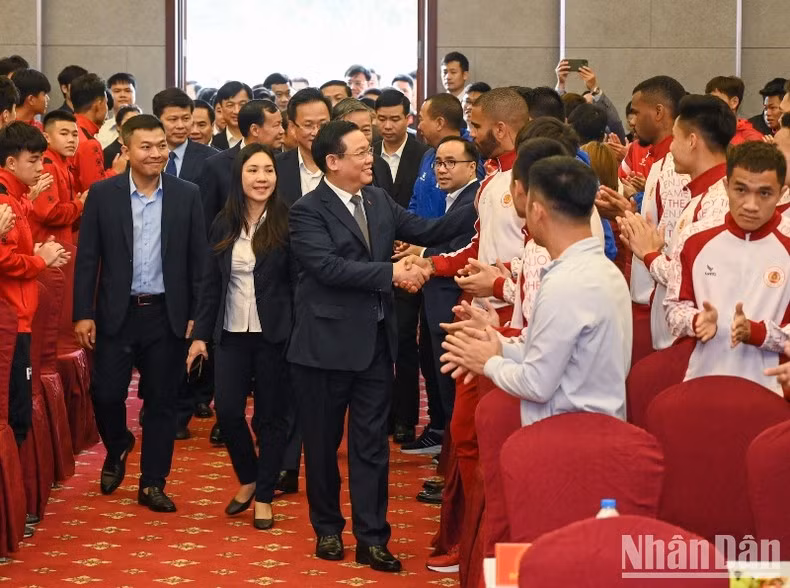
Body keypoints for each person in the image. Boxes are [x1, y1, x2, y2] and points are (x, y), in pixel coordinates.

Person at [287, 120, 466, 572]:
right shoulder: (307, 210)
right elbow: (328, 268)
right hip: (323, 348)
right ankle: (328, 529)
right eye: (361, 152)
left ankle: (373, 537)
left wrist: (487, 194)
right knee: (323, 445)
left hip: (373, 345)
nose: (370, 158)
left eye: (369, 151)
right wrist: (392, 273)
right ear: (333, 162)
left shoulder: (379, 200)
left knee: (371, 448)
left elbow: (432, 229)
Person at [73, 114, 206, 513]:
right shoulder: (104, 194)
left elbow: (198, 262)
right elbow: (88, 259)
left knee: (163, 402)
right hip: (117, 313)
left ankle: (153, 483)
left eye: (161, 145)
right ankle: (118, 444)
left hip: (166, 314)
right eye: (146, 146)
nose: (156, 153)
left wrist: (198, 318)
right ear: (126, 150)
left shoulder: (187, 194)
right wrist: (83, 312)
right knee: (107, 393)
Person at [440, 155, 631, 425]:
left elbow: (536, 384)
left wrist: (488, 362)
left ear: (537, 210)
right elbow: (547, 350)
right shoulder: (603, 270)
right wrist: (499, 342)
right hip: (594, 423)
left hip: (567, 432)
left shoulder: (564, 282)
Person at [187, 143, 292, 530]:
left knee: (271, 418)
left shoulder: (289, 220)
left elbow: (297, 283)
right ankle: (249, 477)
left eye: (268, 170)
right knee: (228, 412)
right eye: (253, 170)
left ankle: (264, 496)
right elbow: (210, 285)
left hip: (275, 333)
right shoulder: (223, 222)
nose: (261, 178)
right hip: (231, 331)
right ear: (239, 176)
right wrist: (200, 334)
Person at [665, 142, 790, 395]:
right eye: (741, 190)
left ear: (781, 193)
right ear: (725, 187)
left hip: (772, 391)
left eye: (764, 193)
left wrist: (758, 332)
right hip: (701, 380)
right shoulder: (694, 238)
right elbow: (673, 309)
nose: (751, 205)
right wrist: (696, 320)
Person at [619, 94, 736, 351]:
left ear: (692, 141)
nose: (670, 148)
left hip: (692, 347)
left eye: (675, 138)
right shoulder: (701, 195)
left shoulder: (718, 202)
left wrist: (649, 254)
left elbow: (696, 279)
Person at [0, 121, 70, 539]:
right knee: (15, 416)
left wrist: (28, 198)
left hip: (20, 317)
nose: (42, 165)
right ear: (11, 162)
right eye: (34, 160)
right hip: (11, 321)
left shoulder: (12, 197)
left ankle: (17, 505)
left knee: (18, 414)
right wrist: (42, 260)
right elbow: (8, 259)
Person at [398, 135, 480, 454]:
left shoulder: (473, 197)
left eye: (450, 163)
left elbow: (458, 247)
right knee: (437, 374)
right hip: (437, 295)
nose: (441, 171)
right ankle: (444, 440)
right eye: (437, 164)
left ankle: (452, 450)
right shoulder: (453, 197)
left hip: (452, 298)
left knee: (450, 379)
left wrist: (422, 254)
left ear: (472, 166)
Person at [201, 99, 285, 231]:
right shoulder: (216, 165)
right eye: (277, 125)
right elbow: (207, 219)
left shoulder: (283, 161)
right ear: (255, 130)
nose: (282, 131)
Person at [28, 110, 85, 244]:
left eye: (75, 134)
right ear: (46, 137)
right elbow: (49, 214)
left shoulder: (64, 165)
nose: (71, 140)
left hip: (59, 244)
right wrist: (80, 204)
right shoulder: (46, 165)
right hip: (46, 245)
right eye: (64, 134)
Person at [275, 88, 332, 207]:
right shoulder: (275, 167)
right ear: (292, 127)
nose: (316, 132)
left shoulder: (347, 163)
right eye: (308, 125)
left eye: (323, 125)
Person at [71, 73, 126, 191]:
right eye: (106, 103)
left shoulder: (65, 132)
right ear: (98, 104)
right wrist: (116, 171)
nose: (107, 110)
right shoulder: (88, 143)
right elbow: (95, 189)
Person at [152, 87, 218, 185]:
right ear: (157, 120)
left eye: (186, 118)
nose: (180, 126)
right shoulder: (146, 155)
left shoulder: (212, 159)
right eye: (173, 119)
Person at [373, 89, 428, 207]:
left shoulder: (424, 154)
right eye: (382, 119)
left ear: (407, 119)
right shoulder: (370, 153)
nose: (387, 126)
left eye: (395, 119)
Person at [555, 60, 626, 142]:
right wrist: (560, 83)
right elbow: (555, 114)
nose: (590, 110)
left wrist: (594, 88)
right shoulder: (560, 140)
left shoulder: (603, 134)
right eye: (586, 106)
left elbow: (615, 125)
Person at [331, 98, 393, 192]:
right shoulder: (330, 166)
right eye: (353, 130)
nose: (361, 137)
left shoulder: (381, 165)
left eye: (366, 130)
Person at [705, 75, 763, 144]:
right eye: (708, 99)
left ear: (734, 102)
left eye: (716, 99)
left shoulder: (751, 139)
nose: (710, 104)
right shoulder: (703, 133)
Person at [97, 73, 137, 148]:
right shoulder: (100, 130)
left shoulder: (147, 126)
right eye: (117, 91)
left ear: (135, 94)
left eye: (128, 91)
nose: (122, 95)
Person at [211, 81, 252, 150]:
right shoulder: (212, 143)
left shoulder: (263, 138)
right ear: (221, 109)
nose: (237, 111)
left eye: (242, 104)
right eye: (230, 105)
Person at [103, 105, 142, 170]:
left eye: (138, 121)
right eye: (129, 121)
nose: (134, 125)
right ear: (118, 126)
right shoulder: (108, 152)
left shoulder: (144, 149)